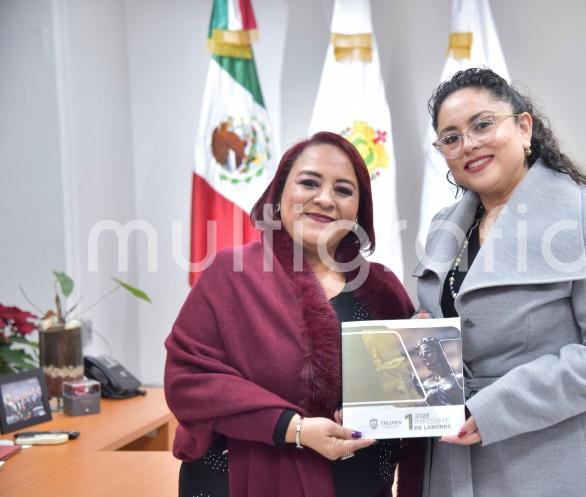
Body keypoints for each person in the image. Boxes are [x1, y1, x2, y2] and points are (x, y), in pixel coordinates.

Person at [414, 68, 586, 497]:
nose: (468, 144)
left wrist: (494, 409)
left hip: (555, 461)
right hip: (454, 464)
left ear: (524, 128)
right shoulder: (442, 228)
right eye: (450, 138)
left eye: (482, 125)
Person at [164, 131, 423, 497]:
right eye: (309, 183)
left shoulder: (383, 287)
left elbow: (410, 394)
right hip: (245, 481)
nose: (325, 199)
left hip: (364, 484)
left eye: (344, 190)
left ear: (359, 210)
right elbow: (188, 382)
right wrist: (293, 428)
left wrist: (425, 356)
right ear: (280, 192)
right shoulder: (231, 274)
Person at [415, 337, 464, 406]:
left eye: (427, 352)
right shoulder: (426, 384)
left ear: (440, 352)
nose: (424, 357)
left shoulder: (459, 379)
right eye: (421, 355)